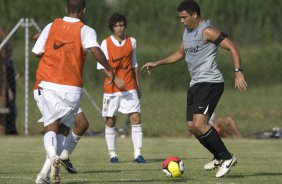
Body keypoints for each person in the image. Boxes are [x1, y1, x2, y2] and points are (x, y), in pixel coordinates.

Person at [141, 0, 247, 178]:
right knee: (192, 126)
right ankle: (218, 156)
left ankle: (227, 157)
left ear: (194, 15)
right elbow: (180, 54)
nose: (181, 21)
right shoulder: (187, 32)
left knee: (200, 124)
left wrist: (238, 72)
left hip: (211, 83)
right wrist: (157, 63)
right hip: (196, 83)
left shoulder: (208, 30)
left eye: (184, 17)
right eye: (180, 18)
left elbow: (232, 47)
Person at [32, 0, 123, 183]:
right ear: (84, 11)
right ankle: (44, 176)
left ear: (66, 9)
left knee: (51, 125)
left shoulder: (51, 26)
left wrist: (54, 54)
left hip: (47, 84)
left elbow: (36, 52)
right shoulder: (85, 30)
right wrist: (109, 68)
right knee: (63, 130)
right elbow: (94, 49)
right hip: (72, 88)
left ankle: (52, 156)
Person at [97, 12, 146, 163]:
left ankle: (138, 154)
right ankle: (112, 154)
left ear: (125, 26)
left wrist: (138, 85)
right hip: (112, 88)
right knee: (111, 121)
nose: (119, 28)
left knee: (136, 117)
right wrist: (115, 78)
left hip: (130, 87)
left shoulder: (132, 42)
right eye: (116, 26)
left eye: (121, 25)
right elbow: (101, 66)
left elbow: (134, 64)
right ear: (112, 28)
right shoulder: (105, 43)